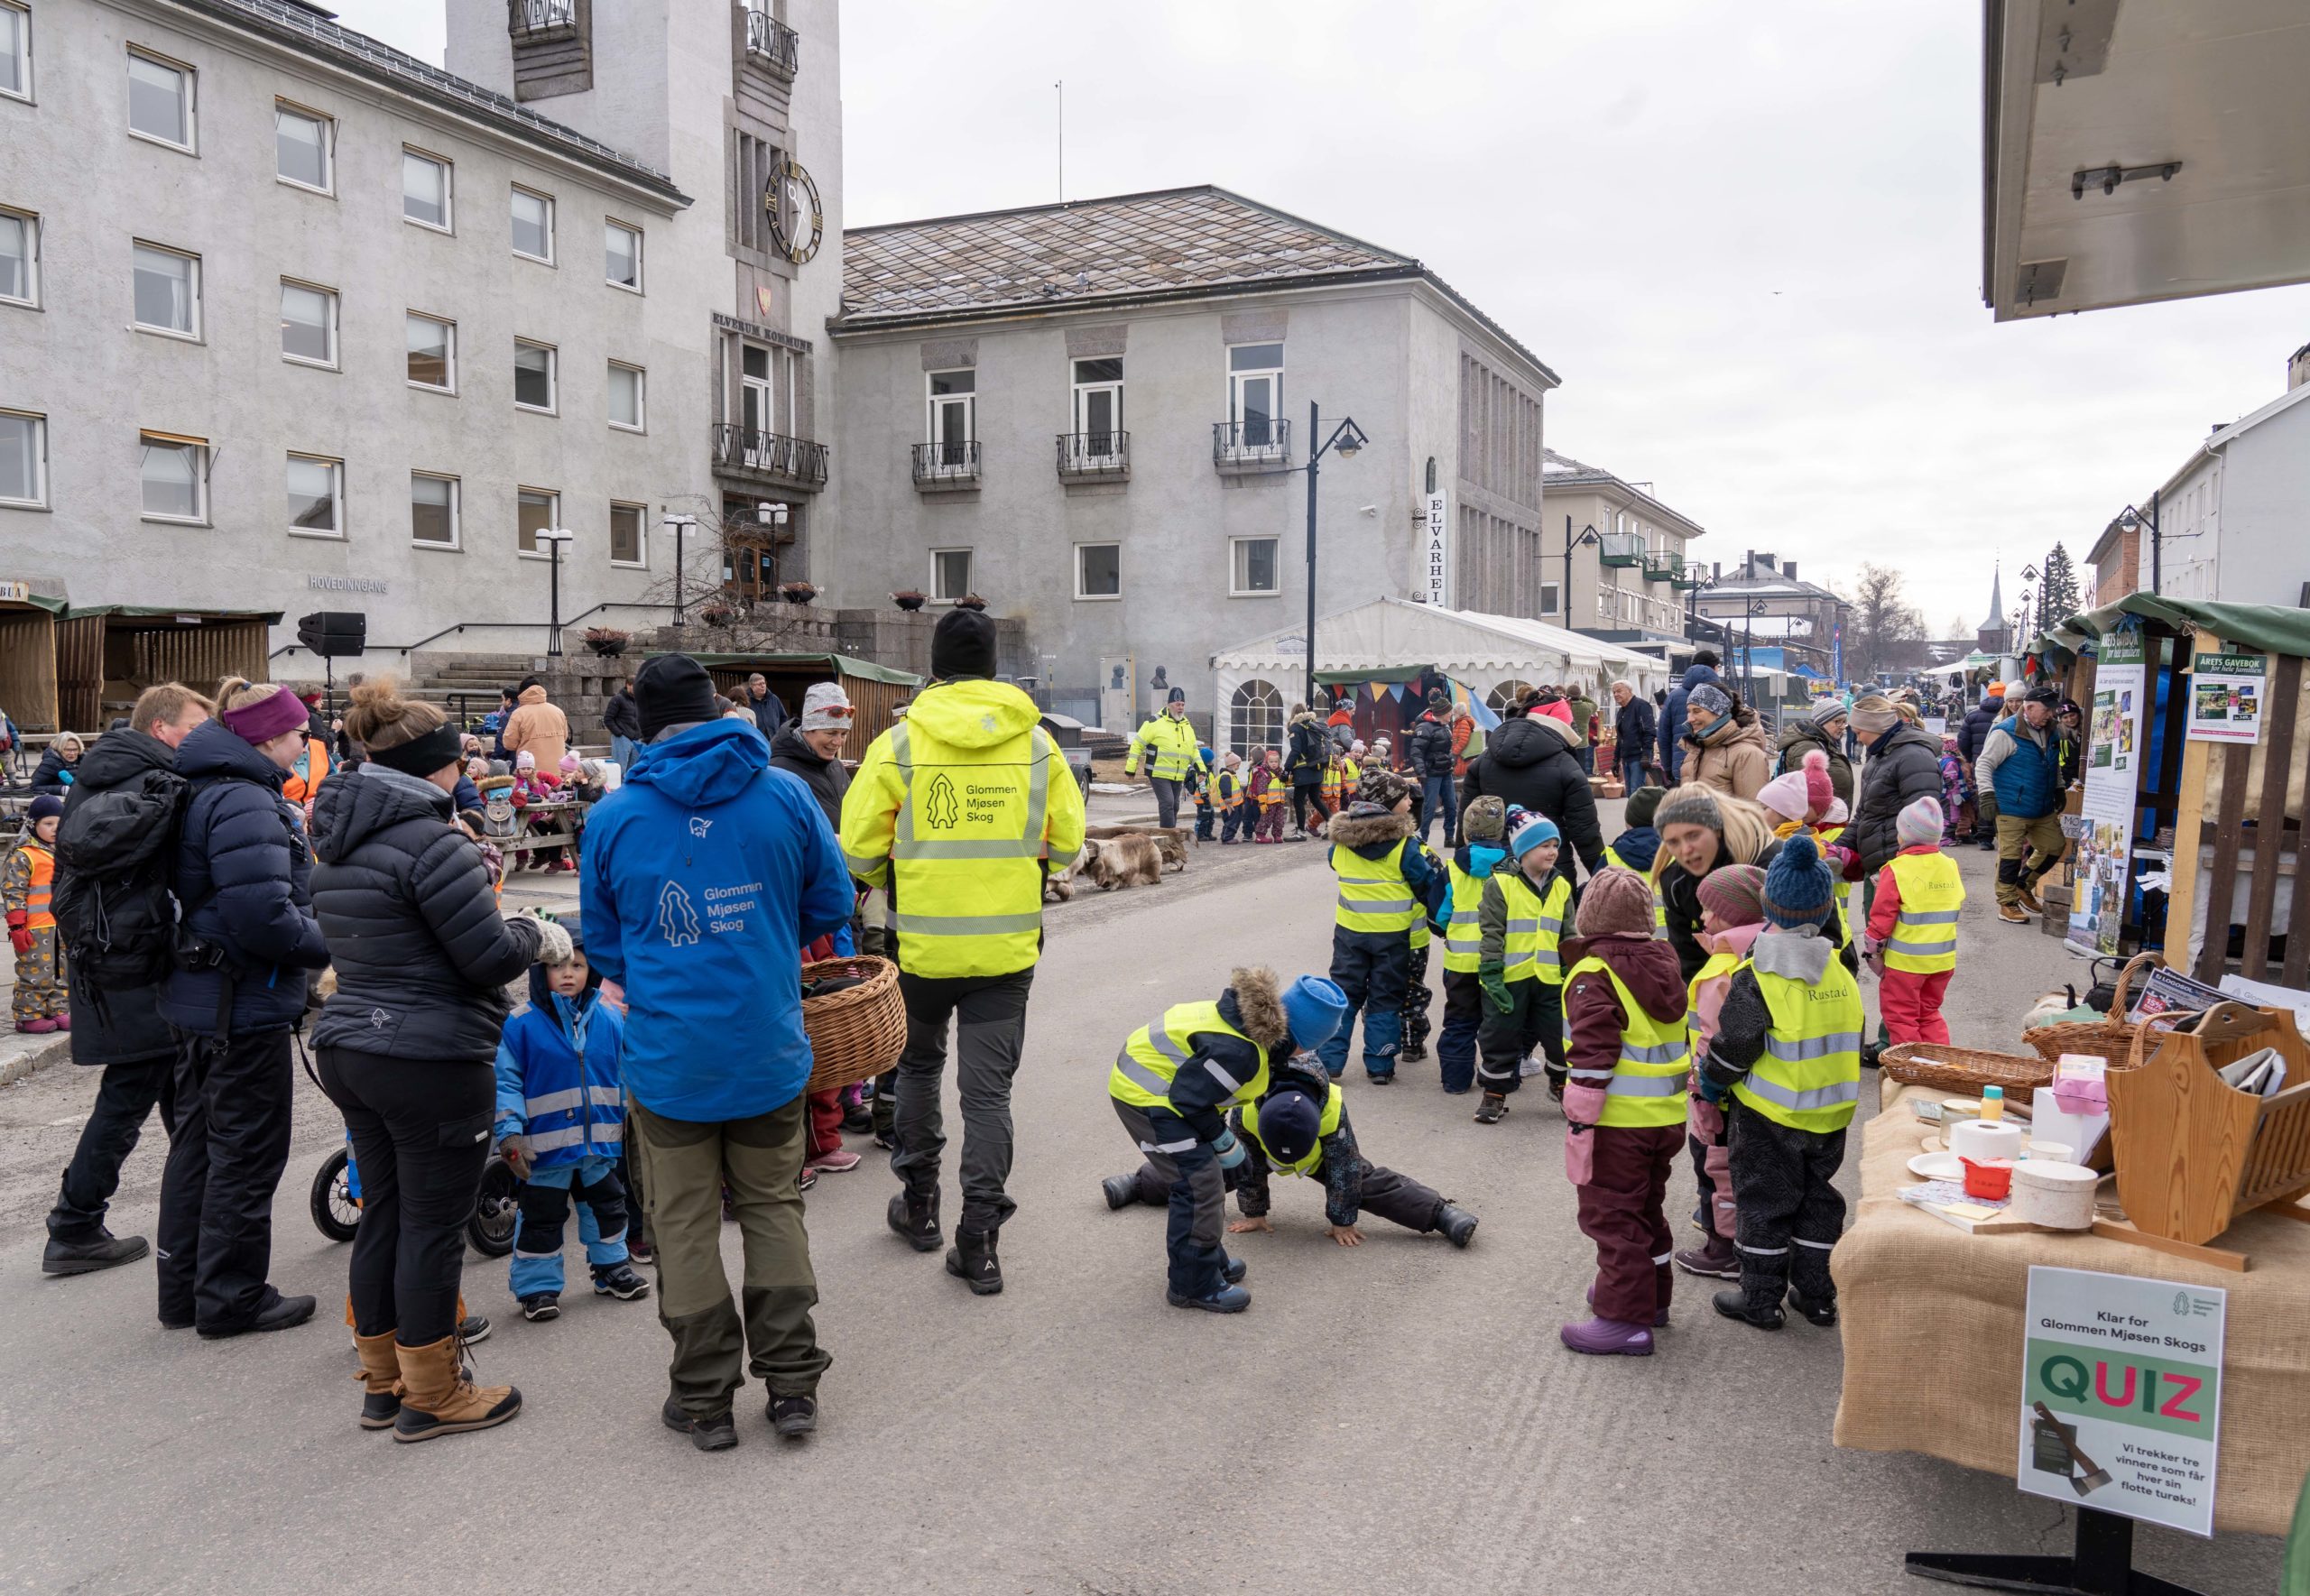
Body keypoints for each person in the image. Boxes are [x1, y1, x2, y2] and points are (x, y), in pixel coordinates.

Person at [587, 653, 853, 1451]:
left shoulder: (615, 816)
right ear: (715, 708)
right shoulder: (785, 792)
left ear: (646, 723)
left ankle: (703, 1397)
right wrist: (762, 943)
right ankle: (793, 1384)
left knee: (684, 1222)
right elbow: (832, 901)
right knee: (773, 1205)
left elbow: (605, 946)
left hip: (671, 1059)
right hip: (766, 1043)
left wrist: (673, 971)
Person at [310, 678, 555, 1436]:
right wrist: (536, 933)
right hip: (428, 1055)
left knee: (386, 1210)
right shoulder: (432, 840)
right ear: (435, 767)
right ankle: (436, 1392)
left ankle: (384, 1380)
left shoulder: (337, 836)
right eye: (458, 762)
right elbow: (483, 957)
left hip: (355, 1042)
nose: (466, 772)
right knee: (432, 1224)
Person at [841, 609, 1086, 1299]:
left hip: (920, 949)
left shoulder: (900, 745)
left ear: (936, 666)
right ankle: (979, 1239)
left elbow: (857, 850)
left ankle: (918, 1206)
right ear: (996, 667)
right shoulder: (1038, 745)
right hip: (1006, 953)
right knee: (988, 1095)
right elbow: (1067, 844)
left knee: (918, 1067)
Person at [156, 679, 332, 1338]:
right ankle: (231, 1297)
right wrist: (331, 948)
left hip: (200, 996)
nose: (305, 742)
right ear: (267, 737)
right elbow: (263, 917)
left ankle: (185, 1292)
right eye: (298, 733)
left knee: (199, 1146)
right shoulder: (245, 798)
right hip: (240, 1002)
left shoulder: (208, 782)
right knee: (246, 1152)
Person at [43, 685, 212, 1276]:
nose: (201, 739)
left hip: (115, 965)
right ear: (162, 729)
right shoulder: (147, 781)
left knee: (174, 1093)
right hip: (136, 968)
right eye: (194, 727)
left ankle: (195, 1218)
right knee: (133, 1093)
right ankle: (75, 1222)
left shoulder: (107, 774)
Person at [1099, 968, 1347, 1312]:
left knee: (1209, 1178)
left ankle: (1207, 1257)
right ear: (1301, 1039)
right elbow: (1190, 1100)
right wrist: (1224, 1142)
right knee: (1198, 1185)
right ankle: (1192, 1284)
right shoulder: (1242, 1052)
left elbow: (1203, 1091)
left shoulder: (1248, 1023)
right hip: (1148, 1097)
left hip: (1167, 1091)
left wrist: (1222, 1143)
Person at [1697, 836, 1863, 1332]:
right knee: (1818, 1200)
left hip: (1771, 1116)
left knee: (1765, 1203)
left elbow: (1736, 1045)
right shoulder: (1839, 969)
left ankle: (1761, 1298)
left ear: (1770, 906)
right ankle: (1816, 1296)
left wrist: (1711, 1082)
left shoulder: (1759, 974)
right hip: (1831, 1113)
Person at [1557, 867, 1692, 1356]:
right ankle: (1649, 1297)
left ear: (1590, 919)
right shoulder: (1665, 963)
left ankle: (1623, 1320)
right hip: (1664, 1117)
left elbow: (1594, 1054)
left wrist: (1579, 1120)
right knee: (1646, 1209)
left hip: (1617, 1122)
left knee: (1611, 1219)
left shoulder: (1594, 974)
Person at [1156, 1049, 1477, 1247]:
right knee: (1204, 1169)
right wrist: (1254, 1212)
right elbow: (1249, 1165)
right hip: (1258, 1145)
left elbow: (1345, 1169)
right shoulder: (1247, 1111)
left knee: (1366, 1181)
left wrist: (1342, 1218)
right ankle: (1139, 1184)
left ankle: (1441, 1214)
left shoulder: (1332, 1111)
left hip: (1320, 1154)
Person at [494, 927, 651, 1322]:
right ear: (539, 972)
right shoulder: (521, 1024)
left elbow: (623, 1074)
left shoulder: (611, 1018)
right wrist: (510, 1132)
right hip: (545, 1151)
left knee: (608, 1210)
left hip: (599, 1145)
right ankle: (537, 1288)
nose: (569, 973)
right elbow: (506, 1082)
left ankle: (611, 1268)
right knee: (542, 1219)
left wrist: (636, 1116)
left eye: (578, 965)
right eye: (558, 965)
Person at [770, 681, 866, 1177]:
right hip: (802, 912)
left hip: (837, 903)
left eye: (841, 733)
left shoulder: (831, 768)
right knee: (813, 1021)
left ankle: (840, 1110)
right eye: (829, 732)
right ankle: (810, 1142)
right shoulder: (781, 772)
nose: (836, 741)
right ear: (807, 727)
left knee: (839, 1006)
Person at [1670, 864, 1767, 1282]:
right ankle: (1754, 1241)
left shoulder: (1721, 971)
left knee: (1716, 1169)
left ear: (1736, 914)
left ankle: (1722, 1249)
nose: (1704, 919)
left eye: (1711, 911)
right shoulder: (1766, 952)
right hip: (1759, 1094)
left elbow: (1712, 1038)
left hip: (1717, 1094)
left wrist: (1704, 1090)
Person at [1319, 773, 1445, 1085]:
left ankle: (1331, 1062)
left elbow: (1335, 864)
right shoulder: (1405, 847)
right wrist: (1441, 919)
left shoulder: (1340, 845)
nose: (1410, 802)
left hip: (1349, 934)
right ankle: (1379, 1063)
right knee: (1385, 997)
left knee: (1345, 996)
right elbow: (1426, 884)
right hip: (1392, 938)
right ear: (1388, 804)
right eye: (1404, 798)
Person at [1473, 810, 1570, 1123]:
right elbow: (1492, 932)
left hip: (1551, 979)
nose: (1552, 851)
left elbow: (1569, 933)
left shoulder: (1561, 886)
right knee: (1499, 1036)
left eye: (1555, 844)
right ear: (1523, 850)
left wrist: (1573, 969)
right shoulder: (1500, 884)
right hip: (1510, 978)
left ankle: (1561, 1085)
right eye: (1544, 845)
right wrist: (1490, 974)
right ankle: (1495, 1094)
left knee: (1560, 1036)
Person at [1459, 698, 1605, 891]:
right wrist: (1603, 875)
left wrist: (1463, 863)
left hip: (1492, 871)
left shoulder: (1483, 761)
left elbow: (1467, 821)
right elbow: (1585, 832)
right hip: (1551, 873)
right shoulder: (1567, 765)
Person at [1864, 797, 1964, 1045]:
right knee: (1929, 1013)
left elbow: (1881, 919)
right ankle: (1938, 1066)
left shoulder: (1896, 869)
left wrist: (1872, 951)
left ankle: (1911, 1070)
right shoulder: (1949, 866)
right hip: (1942, 961)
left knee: (1901, 1016)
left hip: (1905, 964)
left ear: (1905, 836)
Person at [1975, 683, 2065, 926]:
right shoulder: (2005, 732)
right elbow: (1984, 764)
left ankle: (2024, 885)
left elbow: (2053, 762)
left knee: (2055, 846)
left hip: (2042, 805)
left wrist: (2059, 787)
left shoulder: (2051, 730)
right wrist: (1986, 795)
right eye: (2047, 710)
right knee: (2010, 856)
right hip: (2011, 806)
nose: (2051, 714)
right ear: (2030, 707)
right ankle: (2007, 903)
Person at [1844, 694, 1946, 909]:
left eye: (1859, 732)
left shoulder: (1914, 757)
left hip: (1899, 873)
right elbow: (1865, 815)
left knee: (1897, 938)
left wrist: (1902, 870)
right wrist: (1835, 849)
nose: (1859, 739)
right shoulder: (1880, 757)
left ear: (1874, 727)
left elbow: (1923, 823)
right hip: (1881, 868)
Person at [1435, 796, 1507, 1096]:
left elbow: (1438, 916)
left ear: (1465, 833)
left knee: (1459, 1021)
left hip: (1460, 964)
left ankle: (1455, 1080)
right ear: (1501, 833)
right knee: (1500, 1023)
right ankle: (1501, 1079)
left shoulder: (1451, 870)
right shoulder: (1511, 868)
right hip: (1501, 962)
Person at [6, 794, 66, 1032]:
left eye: (59, 824)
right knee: (37, 971)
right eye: (48, 824)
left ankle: (58, 1009)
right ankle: (28, 1015)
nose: (54, 829)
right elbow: (13, 892)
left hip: (61, 924)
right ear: (33, 825)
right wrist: (17, 926)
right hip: (35, 926)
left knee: (62, 969)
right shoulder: (23, 855)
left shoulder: (64, 851)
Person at [1126, 687, 1206, 832]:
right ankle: (1168, 837)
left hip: (1178, 773)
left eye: (1182, 704)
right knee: (1168, 803)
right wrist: (1131, 769)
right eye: (1177, 704)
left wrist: (1201, 769)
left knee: (1175, 805)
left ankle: (1170, 834)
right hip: (1158, 772)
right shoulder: (1154, 722)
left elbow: (1193, 750)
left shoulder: (1186, 725)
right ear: (1169, 704)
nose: (1180, 707)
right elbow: (1137, 744)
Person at [1679, 684, 1771, 801]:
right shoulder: (1696, 750)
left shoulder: (1747, 754)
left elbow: (1754, 810)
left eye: (1697, 711)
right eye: (1689, 711)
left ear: (1719, 713)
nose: (1690, 719)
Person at [1602, 785, 1668, 936]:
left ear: (1629, 821)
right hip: (1676, 949)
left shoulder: (1611, 856)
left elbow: (1595, 903)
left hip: (1624, 948)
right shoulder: (1683, 855)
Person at [1774, 698, 1854, 808]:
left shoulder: (1827, 742)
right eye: (1837, 721)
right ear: (1822, 721)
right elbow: (1807, 793)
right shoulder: (1808, 747)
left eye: (1844, 722)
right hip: (1816, 822)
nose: (1842, 726)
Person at [1658, 652, 1723, 785]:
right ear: (1714, 668)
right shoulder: (1721, 695)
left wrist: (1668, 768)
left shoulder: (1673, 696)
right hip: (1716, 767)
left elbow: (1663, 736)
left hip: (1681, 767)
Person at [1406, 688, 1458, 847]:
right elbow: (1416, 752)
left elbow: (1446, 749)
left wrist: (1451, 759)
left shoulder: (1446, 726)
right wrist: (1421, 773)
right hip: (1431, 773)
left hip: (1445, 772)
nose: (1451, 715)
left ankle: (1449, 836)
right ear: (1441, 713)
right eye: (1449, 712)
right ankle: (1423, 838)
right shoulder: (1425, 728)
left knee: (1452, 805)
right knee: (1429, 806)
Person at [1959, 682, 2006, 851]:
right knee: (2005, 795)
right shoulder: (2009, 715)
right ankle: (2005, 834)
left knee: (1984, 795)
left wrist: (1970, 758)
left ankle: (1985, 837)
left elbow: (1963, 741)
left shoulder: (1973, 716)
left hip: (1980, 762)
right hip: (2005, 762)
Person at [501, 680, 570, 775]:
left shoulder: (519, 713)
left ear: (522, 694)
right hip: (558, 770)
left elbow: (509, 743)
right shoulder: (558, 711)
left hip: (531, 772)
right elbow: (565, 737)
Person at [1285, 703, 1328, 840]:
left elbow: (1296, 751)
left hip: (1304, 771)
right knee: (1316, 799)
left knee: (1298, 800)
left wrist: (1287, 768)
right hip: (1317, 768)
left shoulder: (1296, 727)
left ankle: (1301, 832)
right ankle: (1334, 826)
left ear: (1293, 715)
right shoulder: (1313, 725)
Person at [1611, 681, 1654, 795]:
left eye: (1619, 691)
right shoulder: (1621, 711)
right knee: (1630, 793)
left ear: (1629, 691)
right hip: (1626, 758)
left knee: (1636, 793)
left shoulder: (1641, 706)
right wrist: (1616, 760)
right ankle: (1635, 813)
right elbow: (1620, 738)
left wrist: (1646, 755)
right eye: (1614, 692)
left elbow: (1649, 732)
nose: (1615, 694)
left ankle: (1639, 813)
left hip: (1638, 757)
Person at [1247, 747, 1288, 843]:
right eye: (1271, 762)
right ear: (1267, 762)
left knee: (1279, 820)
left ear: (1279, 762)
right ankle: (1260, 836)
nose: (1274, 764)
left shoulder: (1280, 774)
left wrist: (1287, 779)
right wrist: (1262, 803)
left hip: (1279, 802)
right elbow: (1261, 789)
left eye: (1276, 762)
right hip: (1269, 803)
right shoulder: (1265, 774)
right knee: (1265, 819)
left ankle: (1277, 835)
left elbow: (1283, 785)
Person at [604, 680, 643, 775]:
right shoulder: (617, 699)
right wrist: (619, 733)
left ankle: (631, 789)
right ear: (628, 685)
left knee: (634, 770)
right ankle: (619, 789)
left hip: (637, 739)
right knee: (619, 770)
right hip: (622, 738)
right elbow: (608, 719)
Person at [32, 730, 84, 796]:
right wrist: (62, 790)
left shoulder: (84, 760)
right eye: (68, 750)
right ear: (59, 748)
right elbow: (34, 787)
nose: (72, 753)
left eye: (75, 749)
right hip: (60, 800)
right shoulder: (50, 763)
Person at [1214, 752, 1248, 844]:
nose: (1238, 767)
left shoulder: (1230, 775)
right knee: (1231, 821)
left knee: (1234, 820)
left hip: (1235, 804)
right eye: (1238, 765)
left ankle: (1229, 836)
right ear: (1232, 765)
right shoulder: (1226, 775)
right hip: (1229, 804)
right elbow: (1225, 788)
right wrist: (1227, 799)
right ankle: (1226, 838)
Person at [1566, 685, 1600, 777]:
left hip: (1568, 741)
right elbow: (1595, 704)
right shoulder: (1587, 707)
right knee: (1581, 766)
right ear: (1579, 694)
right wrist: (1581, 696)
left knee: (1569, 766)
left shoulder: (1566, 707)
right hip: (1582, 742)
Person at [744, 672, 789, 739]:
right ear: (752, 686)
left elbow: (784, 718)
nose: (763, 686)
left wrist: (780, 735)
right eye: (759, 684)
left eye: (764, 683)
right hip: (755, 740)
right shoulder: (746, 701)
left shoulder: (774, 699)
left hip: (774, 740)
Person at [1189, 746, 1217, 842]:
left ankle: (1208, 833)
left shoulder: (1209, 771)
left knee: (1211, 816)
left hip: (1209, 799)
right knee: (1202, 817)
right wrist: (1205, 796)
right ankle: (1199, 834)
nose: (1211, 763)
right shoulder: (1201, 772)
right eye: (1209, 761)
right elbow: (1201, 784)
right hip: (1202, 799)